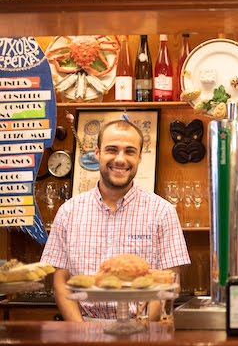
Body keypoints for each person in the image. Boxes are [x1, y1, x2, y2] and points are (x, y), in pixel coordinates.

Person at [41, 120, 191, 321]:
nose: (120, 159)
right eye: (112, 150)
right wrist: (80, 331)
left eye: (129, 151)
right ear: (97, 153)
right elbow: (60, 280)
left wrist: (145, 327)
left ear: (139, 157)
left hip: (143, 329)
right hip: (84, 327)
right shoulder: (69, 212)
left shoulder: (162, 211)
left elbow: (169, 280)